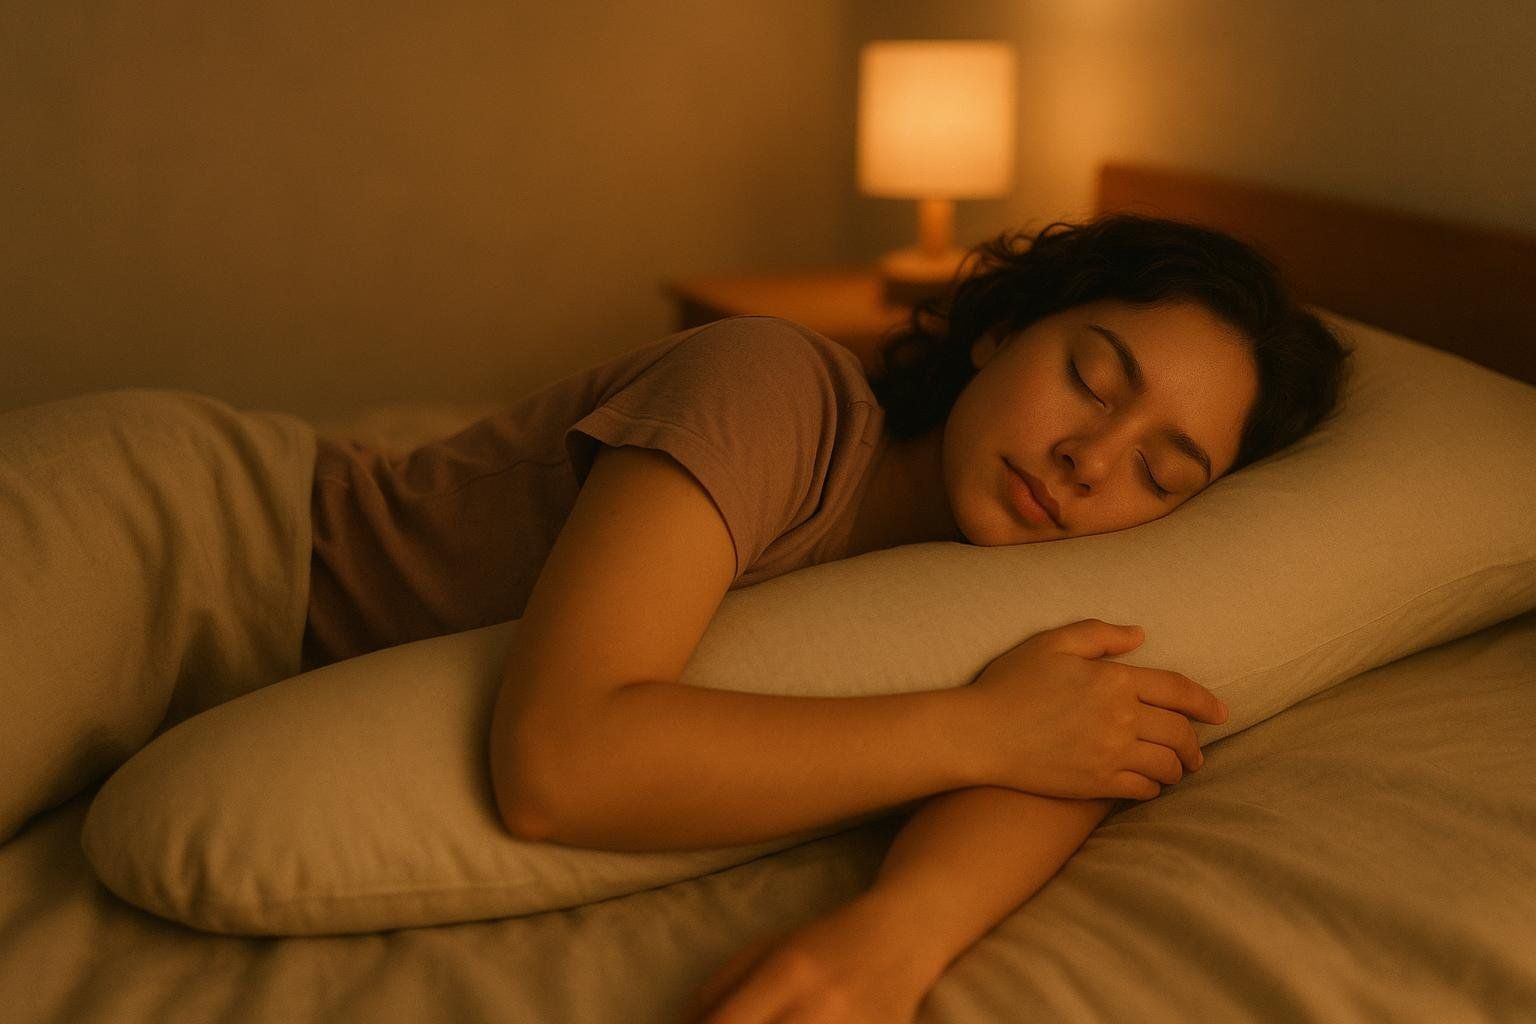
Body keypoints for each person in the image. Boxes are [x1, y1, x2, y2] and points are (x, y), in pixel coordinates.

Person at [307, 213, 1348, 1022]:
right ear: (998, 331)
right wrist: (980, 725)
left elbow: (1072, 746)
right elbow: (559, 764)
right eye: (1090, 377)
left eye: (1161, 472)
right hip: (212, 542)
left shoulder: (1038, 579)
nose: (1093, 457)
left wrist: (893, 937)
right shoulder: (773, 386)